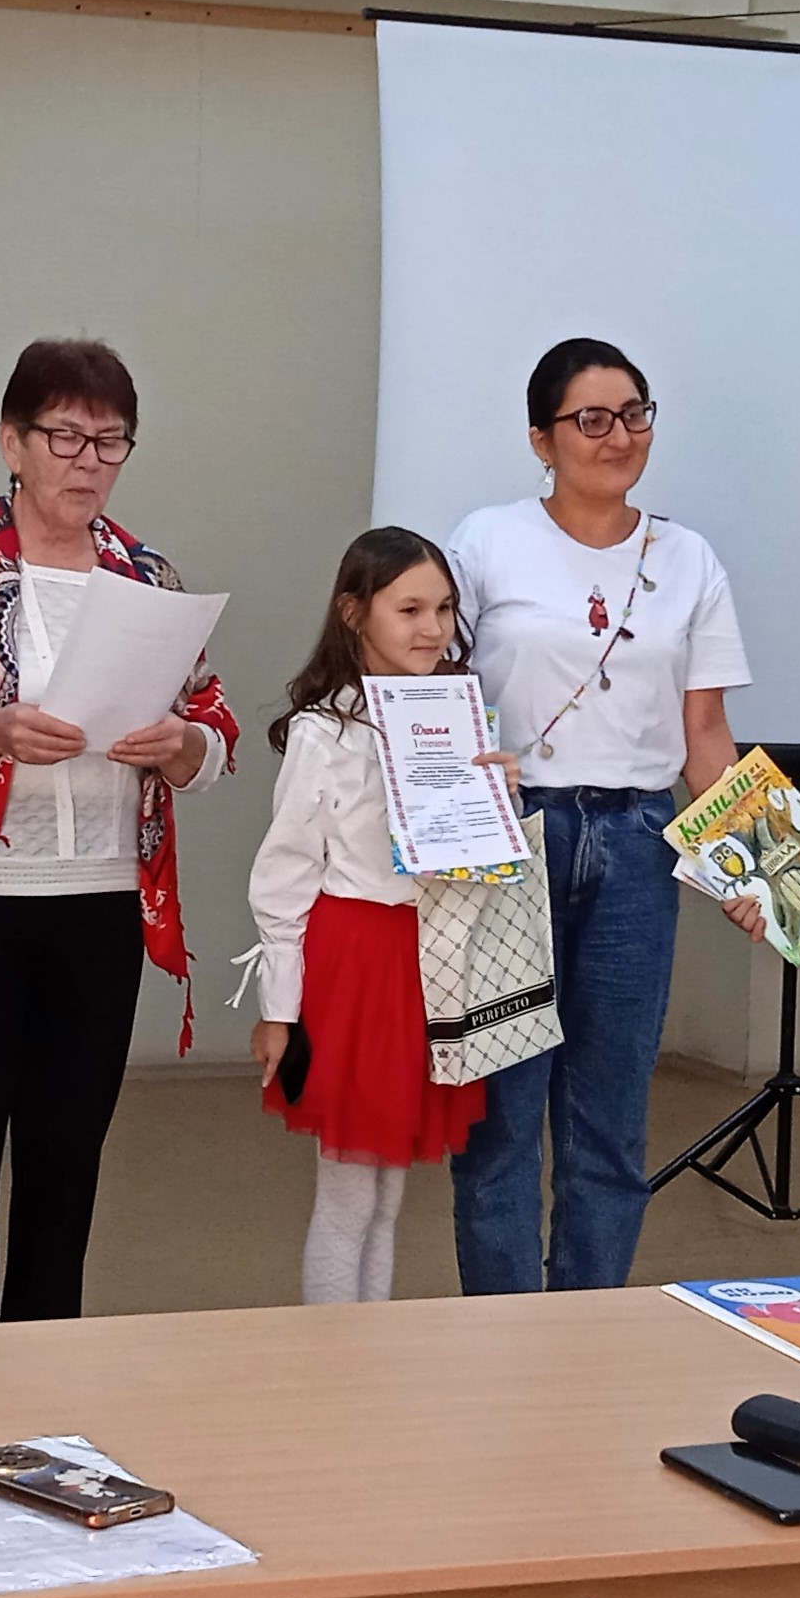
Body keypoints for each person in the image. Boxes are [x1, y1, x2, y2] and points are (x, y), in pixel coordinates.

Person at [0, 338, 238, 1327]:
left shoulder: (148, 576)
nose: (87, 461)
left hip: (100, 904)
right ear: (12, 442)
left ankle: (42, 1375)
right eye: (65, 436)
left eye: (110, 442)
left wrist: (180, 744)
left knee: (65, 1164)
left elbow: (214, 742)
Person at [443, 337, 760, 1296]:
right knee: (501, 1121)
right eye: (590, 419)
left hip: (635, 845)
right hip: (511, 842)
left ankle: (587, 1327)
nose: (617, 435)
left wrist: (752, 868)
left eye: (634, 414)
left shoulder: (688, 557)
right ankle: (503, 1333)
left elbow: (704, 732)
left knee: (609, 1123)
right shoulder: (486, 541)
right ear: (541, 439)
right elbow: (432, 690)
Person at [237, 528, 516, 1303]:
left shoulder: (457, 718)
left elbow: (472, 866)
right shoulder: (323, 731)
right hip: (355, 961)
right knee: (348, 1194)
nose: (433, 628)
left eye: (445, 609)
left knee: (388, 1196)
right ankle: (332, 1353)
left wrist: (500, 798)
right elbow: (284, 872)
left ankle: (371, 1347)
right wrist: (279, 1009)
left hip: (426, 958)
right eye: (410, 609)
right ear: (353, 612)